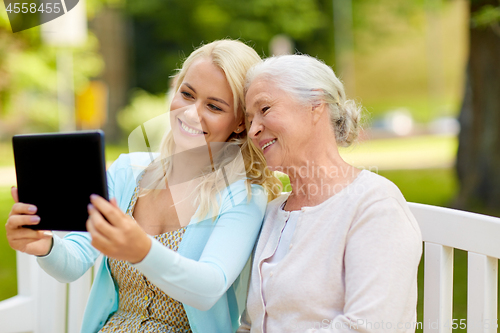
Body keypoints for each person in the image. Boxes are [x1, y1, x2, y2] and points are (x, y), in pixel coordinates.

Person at [5, 39, 281, 333]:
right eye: (187, 95)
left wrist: (142, 250)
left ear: (240, 122)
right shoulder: (128, 172)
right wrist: (45, 246)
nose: (190, 113)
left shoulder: (243, 194)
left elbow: (208, 288)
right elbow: (73, 262)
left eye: (213, 106)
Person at [238, 54, 422, 333]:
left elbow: (367, 328)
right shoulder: (274, 212)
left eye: (264, 109)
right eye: (250, 119)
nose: (254, 130)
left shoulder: (374, 205)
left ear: (315, 105)